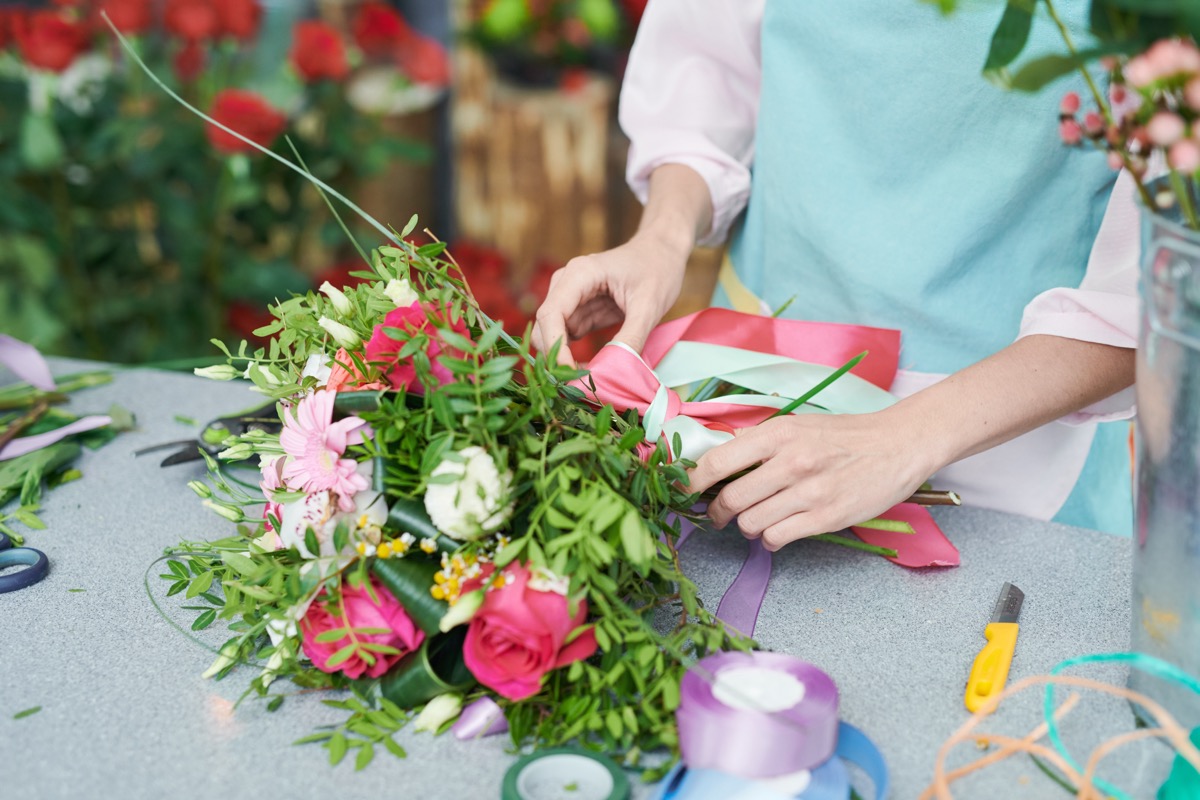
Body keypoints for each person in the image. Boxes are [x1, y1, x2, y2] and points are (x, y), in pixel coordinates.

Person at [532, 1, 1141, 550]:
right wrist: (662, 239)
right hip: (738, 402)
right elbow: (708, 62)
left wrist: (902, 439)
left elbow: (1160, 290)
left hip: (1008, 455)